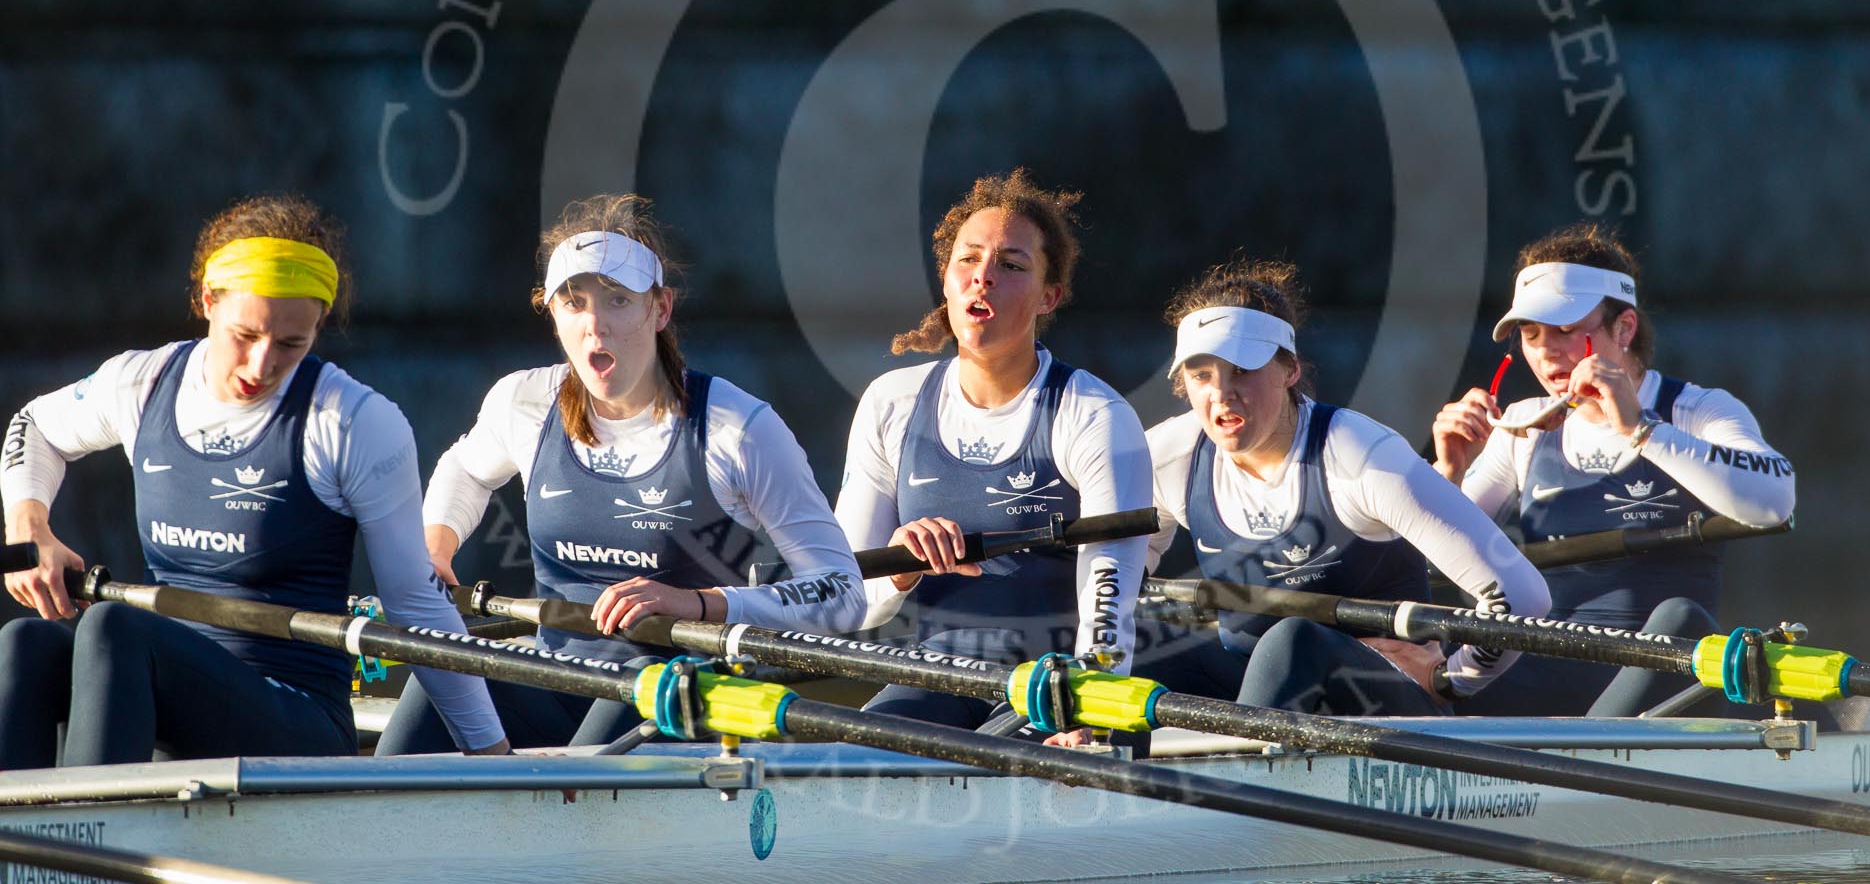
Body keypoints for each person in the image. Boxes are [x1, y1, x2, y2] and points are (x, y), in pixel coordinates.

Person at [0, 196, 507, 767]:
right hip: (168, 690)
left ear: (319, 326)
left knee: (113, 628)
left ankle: (89, 845)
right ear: (206, 301)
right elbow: (35, 424)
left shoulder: (354, 422)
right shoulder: (141, 384)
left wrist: (494, 755)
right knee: (25, 645)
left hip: (296, 719)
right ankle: (25, 845)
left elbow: (414, 599)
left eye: (292, 344)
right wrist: (29, 529)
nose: (261, 365)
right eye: (245, 335)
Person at [377, 193, 863, 754]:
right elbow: (464, 468)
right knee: (438, 676)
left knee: (611, 721)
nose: (595, 327)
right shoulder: (526, 402)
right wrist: (436, 549)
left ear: (660, 310)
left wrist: (699, 603)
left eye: (617, 301)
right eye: (574, 303)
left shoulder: (738, 428)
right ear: (551, 313)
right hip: (559, 675)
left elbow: (842, 589)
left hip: (680, 691)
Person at [1141, 260, 1551, 719]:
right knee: (1133, 637)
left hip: (1380, 705)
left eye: (1241, 370)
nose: (1221, 395)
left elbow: (1521, 596)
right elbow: (1112, 582)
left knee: (1291, 640)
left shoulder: (1359, 455)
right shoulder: (1168, 456)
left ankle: (1228, 774)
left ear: (1290, 370)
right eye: (1202, 376)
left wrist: (1449, 680)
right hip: (1254, 695)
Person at [834, 169, 1153, 737]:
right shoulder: (891, 403)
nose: (983, 277)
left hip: (1052, 682)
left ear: (1048, 296)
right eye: (969, 260)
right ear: (947, 280)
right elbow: (844, 598)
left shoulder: (1093, 415)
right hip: (936, 676)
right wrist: (900, 565)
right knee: (841, 764)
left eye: (1011, 265)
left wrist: (1092, 708)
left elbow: (1110, 589)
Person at [1431, 222, 1796, 716]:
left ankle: (1581, 755)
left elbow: (1775, 502)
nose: (1544, 351)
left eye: (1564, 330)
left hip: (1661, 681)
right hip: (1544, 671)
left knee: (1679, 617)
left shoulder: (1697, 411)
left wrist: (1641, 430)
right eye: (1530, 334)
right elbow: (1426, 568)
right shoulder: (1522, 425)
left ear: (1623, 329)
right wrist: (1445, 474)